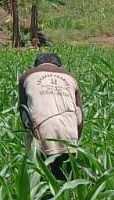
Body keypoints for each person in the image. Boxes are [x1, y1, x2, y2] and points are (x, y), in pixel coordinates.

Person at [18, 52, 85, 182]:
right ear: (59, 66)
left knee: (41, 178)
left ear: (36, 65)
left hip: (40, 133)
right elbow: (80, 115)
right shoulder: (70, 77)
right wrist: (76, 141)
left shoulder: (27, 76)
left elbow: (23, 110)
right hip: (69, 133)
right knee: (65, 178)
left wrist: (31, 139)